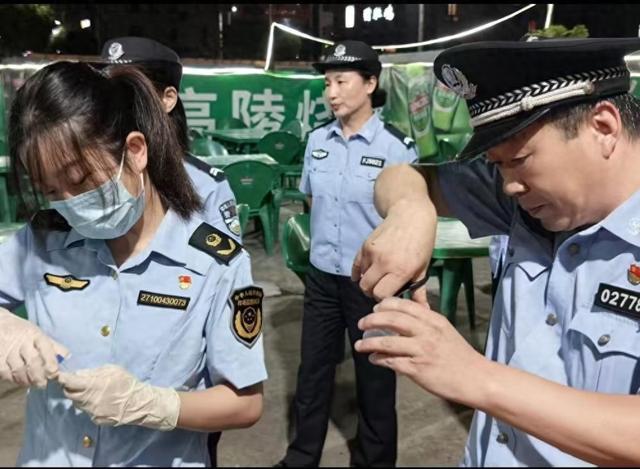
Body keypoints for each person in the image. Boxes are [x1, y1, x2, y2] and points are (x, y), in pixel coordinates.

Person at [352, 37, 640, 466]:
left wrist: (474, 376)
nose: (509, 184)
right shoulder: (522, 201)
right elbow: (402, 176)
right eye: (497, 164)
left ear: (603, 127)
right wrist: (411, 210)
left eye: (519, 159)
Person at [0, 60, 266, 467]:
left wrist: (156, 405)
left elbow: (245, 404)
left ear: (135, 151)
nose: (70, 202)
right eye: (50, 190)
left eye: (81, 179)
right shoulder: (43, 240)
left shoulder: (215, 263)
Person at [276, 40, 418, 467]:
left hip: (371, 284)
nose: (331, 92)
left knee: (376, 377)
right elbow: (312, 205)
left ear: (370, 83)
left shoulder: (396, 147)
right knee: (312, 373)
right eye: (327, 83)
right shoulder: (318, 140)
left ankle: (375, 460)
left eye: (341, 81)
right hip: (321, 278)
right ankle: (302, 456)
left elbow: (406, 218)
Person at [98, 36, 242, 242]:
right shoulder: (84, 179)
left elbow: (224, 270)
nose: (115, 102)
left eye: (130, 91)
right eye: (107, 91)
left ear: (168, 98)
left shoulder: (206, 186)